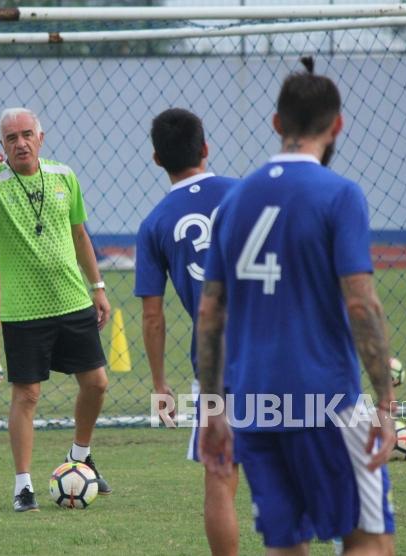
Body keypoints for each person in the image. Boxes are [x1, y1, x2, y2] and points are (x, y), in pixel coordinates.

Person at [197, 57, 396, 556]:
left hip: (254, 407)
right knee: (369, 538)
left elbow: (209, 315)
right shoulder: (341, 195)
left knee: (286, 545)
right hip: (326, 400)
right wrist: (386, 402)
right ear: (337, 125)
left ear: (277, 124)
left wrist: (213, 408)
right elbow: (361, 301)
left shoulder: (234, 202)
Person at [0, 107, 112, 513]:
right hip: (24, 311)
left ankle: (80, 456)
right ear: (1, 146)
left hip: (73, 300)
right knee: (28, 394)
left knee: (97, 383)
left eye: (26, 135)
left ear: (41, 137)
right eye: (11, 138)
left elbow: (79, 234)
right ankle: (23, 486)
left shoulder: (64, 175)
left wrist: (98, 288)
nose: (20, 143)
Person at [134, 108, 240, 555]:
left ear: (157, 159)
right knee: (293, 472)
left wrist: (160, 385)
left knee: (219, 477)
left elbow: (153, 317)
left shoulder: (154, 224)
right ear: (206, 148)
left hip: (214, 364)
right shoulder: (246, 195)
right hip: (276, 351)